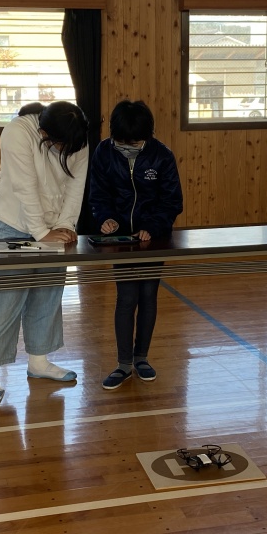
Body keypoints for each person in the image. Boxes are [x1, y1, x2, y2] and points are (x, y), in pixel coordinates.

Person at [0, 101, 89, 409]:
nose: (66, 151)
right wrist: (41, 233)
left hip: (53, 226)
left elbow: (76, 186)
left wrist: (65, 225)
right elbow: (25, 187)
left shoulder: (77, 136)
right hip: (14, 225)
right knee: (6, 299)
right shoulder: (17, 132)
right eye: (60, 145)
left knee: (48, 293)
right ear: (44, 133)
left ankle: (39, 362)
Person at [89, 100, 183, 390]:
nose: (128, 147)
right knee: (126, 297)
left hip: (153, 239)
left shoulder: (162, 155)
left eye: (135, 142)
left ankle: (142, 358)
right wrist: (105, 218)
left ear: (147, 135)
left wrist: (152, 227)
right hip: (122, 240)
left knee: (148, 295)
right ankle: (123, 364)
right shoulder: (103, 152)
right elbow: (98, 194)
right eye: (123, 142)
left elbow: (172, 201)